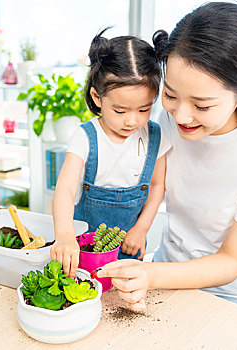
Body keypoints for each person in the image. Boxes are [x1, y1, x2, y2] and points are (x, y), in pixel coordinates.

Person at [96, 2, 237, 316]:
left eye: (202, 105)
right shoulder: (169, 120)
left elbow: (231, 261)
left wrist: (151, 274)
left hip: (236, 297)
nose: (183, 115)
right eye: (171, 94)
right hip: (164, 277)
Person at [51, 28, 171, 277]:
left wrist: (141, 229)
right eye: (120, 110)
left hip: (131, 245)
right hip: (84, 247)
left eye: (143, 109)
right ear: (97, 97)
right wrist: (64, 235)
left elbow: (158, 186)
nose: (131, 121)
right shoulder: (86, 136)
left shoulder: (156, 136)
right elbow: (65, 189)